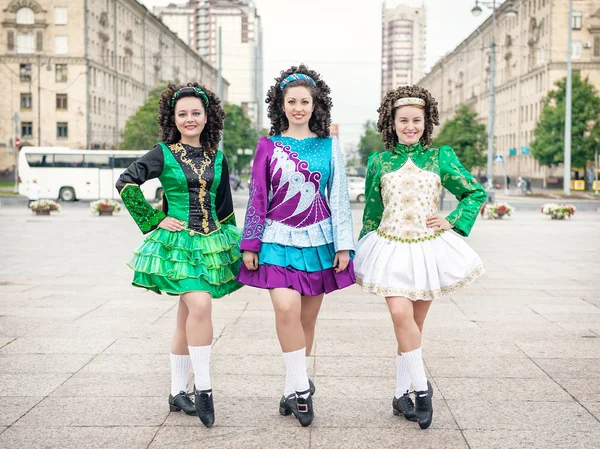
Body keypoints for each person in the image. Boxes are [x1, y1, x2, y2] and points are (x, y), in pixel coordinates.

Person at [354, 85, 486, 429]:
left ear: (426, 123)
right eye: (403, 120)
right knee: (401, 314)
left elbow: (474, 192)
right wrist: (359, 251)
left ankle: (401, 395)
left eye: (416, 120)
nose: (410, 126)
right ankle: (422, 390)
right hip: (389, 246)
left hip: (428, 249)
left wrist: (451, 219)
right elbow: (372, 210)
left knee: (415, 325)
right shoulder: (379, 161)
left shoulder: (441, 157)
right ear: (392, 123)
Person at [116, 82, 242, 428]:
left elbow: (225, 208)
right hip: (178, 245)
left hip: (213, 243)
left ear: (207, 117)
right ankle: (204, 388)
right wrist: (156, 219)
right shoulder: (163, 152)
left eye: (195, 113)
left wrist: (241, 247)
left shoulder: (219, 157)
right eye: (182, 113)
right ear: (173, 118)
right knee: (201, 305)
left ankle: (176, 392)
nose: (189, 118)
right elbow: (126, 182)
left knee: (187, 314)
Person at [236, 65, 355, 427]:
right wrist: (250, 243)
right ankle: (302, 391)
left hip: (319, 240)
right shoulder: (268, 145)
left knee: (306, 318)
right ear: (281, 105)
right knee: (285, 309)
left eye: (305, 101)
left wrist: (343, 246)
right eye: (292, 101)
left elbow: (339, 196)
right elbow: (259, 194)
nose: (299, 107)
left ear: (315, 105)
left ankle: (291, 386)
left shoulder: (330, 146)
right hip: (275, 239)